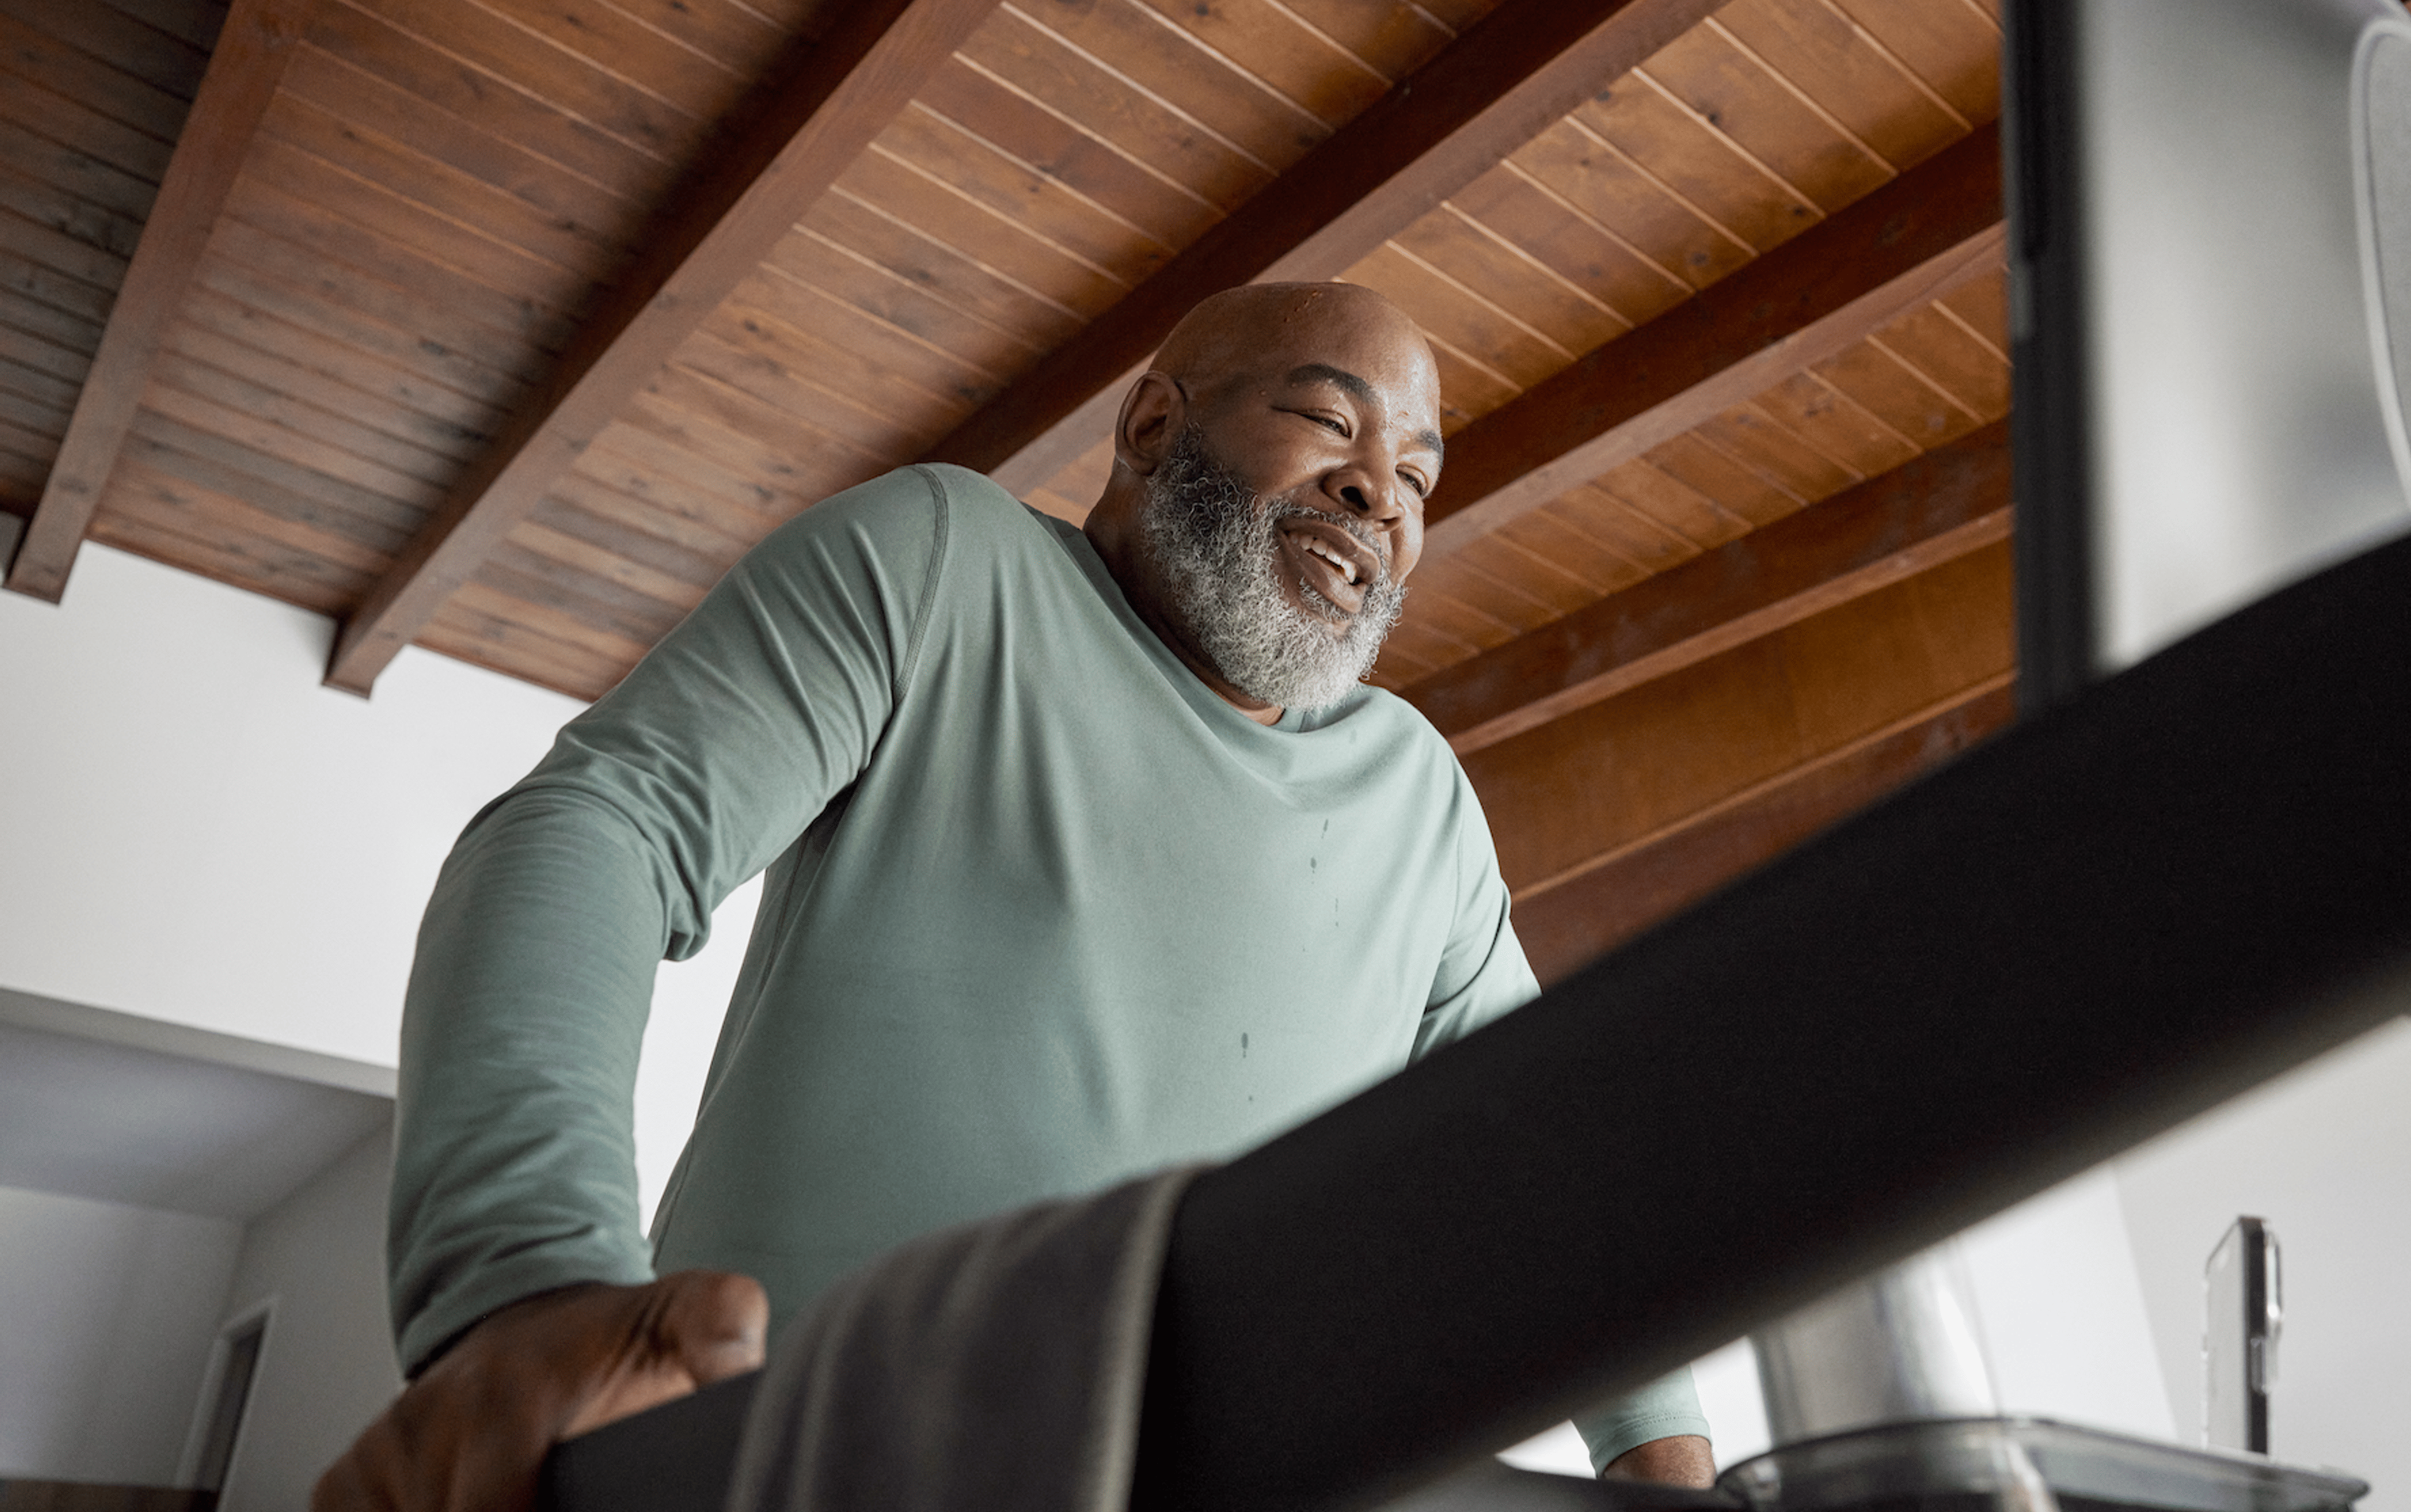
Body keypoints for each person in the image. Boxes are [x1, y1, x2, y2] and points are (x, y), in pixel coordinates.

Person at [315, 283, 1714, 1510]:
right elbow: (599, 828)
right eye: (1330, 424)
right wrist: (525, 1288)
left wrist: (1665, 1473)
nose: (1380, 495)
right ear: (1155, 425)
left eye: (1417, 475)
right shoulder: (948, 560)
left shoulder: (1420, 798)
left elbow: (1547, 1157)